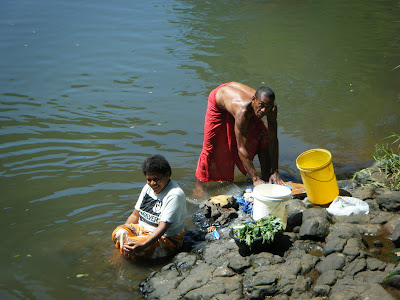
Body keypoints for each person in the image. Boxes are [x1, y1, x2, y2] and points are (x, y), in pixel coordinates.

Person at [195, 82, 284, 187]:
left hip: (239, 99)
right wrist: (255, 179)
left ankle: (268, 177)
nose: (264, 111)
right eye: (261, 106)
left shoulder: (271, 109)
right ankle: (199, 186)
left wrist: (275, 171)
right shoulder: (243, 111)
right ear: (254, 100)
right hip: (219, 100)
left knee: (263, 138)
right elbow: (241, 148)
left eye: (267, 107)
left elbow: (273, 139)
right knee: (212, 147)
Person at [112, 154, 187, 260]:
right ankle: (125, 255)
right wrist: (126, 231)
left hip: (166, 238)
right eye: (149, 179)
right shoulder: (147, 188)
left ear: (167, 175)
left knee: (132, 245)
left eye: (156, 179)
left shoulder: (174, 194)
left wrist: (143, 245)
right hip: (143, 229)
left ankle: (126, 258)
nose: (152, 183)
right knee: (118, 233)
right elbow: (135, 214)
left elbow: (163, 227)